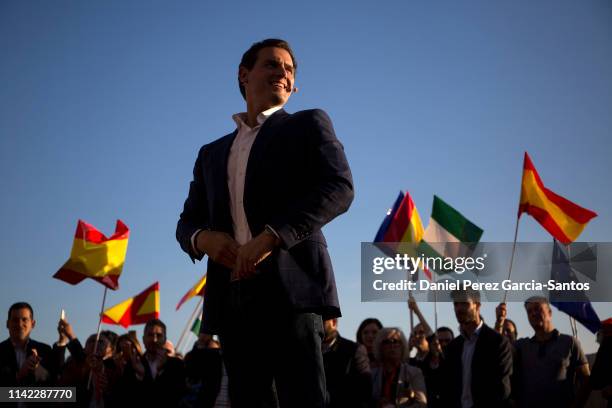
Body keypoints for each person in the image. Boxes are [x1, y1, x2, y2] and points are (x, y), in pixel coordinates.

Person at [176, 38, 354, 408]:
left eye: (289, 70)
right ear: (244, 75)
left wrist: (272, 236)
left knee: (303, 400)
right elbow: (186, 222)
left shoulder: (308, 123)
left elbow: (339, 187)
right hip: (233, 299)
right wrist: (203, 238)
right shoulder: (211, 153)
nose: (283, 73)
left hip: (294, 291)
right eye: (272, 65)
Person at [513, 296, 590, 408]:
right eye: (529, 311)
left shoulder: (570, 343)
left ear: (549, 312)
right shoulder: (521, 346)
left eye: (537, 308)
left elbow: (586, 380)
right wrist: (499, 320)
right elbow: (495, 350)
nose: (533, 313)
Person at [440, 289, 513, 408]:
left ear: (477, 305)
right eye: (456, 304)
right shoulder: (453, 347)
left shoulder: (497, 342)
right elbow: (448, 389)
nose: (459, 308)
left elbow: (502, 390)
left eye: (464, 303)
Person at [0, 302, 56, 386]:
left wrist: (40, 372)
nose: (19, 324)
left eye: (24, 319)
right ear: (8, 324)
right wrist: (18, 375)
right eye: (15, 320)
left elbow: (56, 385)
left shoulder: (45, 351)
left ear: (33, 324)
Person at [371, 327, 427, 408]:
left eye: (396, 341)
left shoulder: (414, 373)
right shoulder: (372, 374)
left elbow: (421, 404)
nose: (392, 345)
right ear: (380, 347)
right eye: (387, 342)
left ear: (402, 346)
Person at [322, 318, 371, 408]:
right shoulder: (306, 351)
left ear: (333, 322)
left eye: (322, 321)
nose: (316, 326)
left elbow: (363, 390)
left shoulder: (354, 350)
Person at [138, 319, 185, 407]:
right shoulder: (134, 365)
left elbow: (176, 396)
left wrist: (161, 372)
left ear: (164, 339)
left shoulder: (177, 365)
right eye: (150, 335)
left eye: (159, 336)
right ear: (143, 339)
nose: (154, 340)